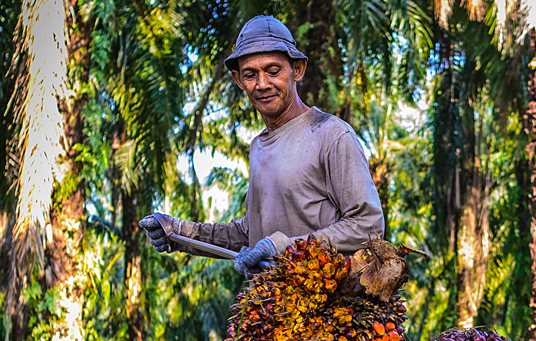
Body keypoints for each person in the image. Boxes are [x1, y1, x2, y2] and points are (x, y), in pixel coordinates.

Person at [139, 15, 384, 276]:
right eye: (250, 74)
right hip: (272, 308)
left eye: (273, 71)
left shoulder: (331, 134)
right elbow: (251, 233)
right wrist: (177, 232)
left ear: (297, 70)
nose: (263, 84)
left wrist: (282, 247)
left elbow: (367, 226)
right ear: (238, 80)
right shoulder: (258, 147)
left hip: (327, 309)